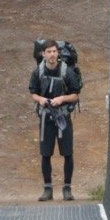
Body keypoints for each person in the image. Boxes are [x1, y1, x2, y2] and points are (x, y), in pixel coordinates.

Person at [29, 40, 82, 201]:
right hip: (46, 117)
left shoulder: (67, 72)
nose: (52, 54)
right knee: (45, 154)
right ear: (43, 54)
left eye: (54, 51)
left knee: (67, 153)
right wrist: (40, 100)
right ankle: (47, 189)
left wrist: (61, 99)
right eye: (49, 52)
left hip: (62, 116)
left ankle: (67, 188)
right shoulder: (38, 72)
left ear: (58, 53)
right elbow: (33, 92)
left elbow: (75, 94)